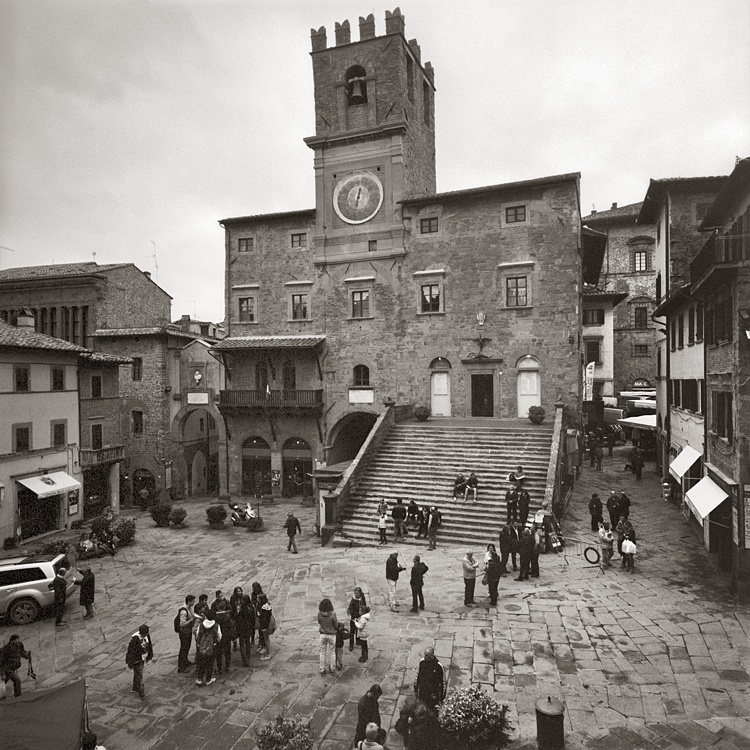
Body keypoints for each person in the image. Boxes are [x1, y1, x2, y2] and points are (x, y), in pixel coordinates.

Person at [125, 624, 153, 699]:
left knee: (137, 674)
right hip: (137, 660)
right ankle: (141, 692)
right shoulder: (135, 640)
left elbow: (150, 645)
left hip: (143, 658)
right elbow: (131, 651)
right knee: (140, 675)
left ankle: (135, 687)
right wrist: (131, 662)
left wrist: (149, 655)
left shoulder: (147, 636)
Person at [0, 634, 31, 698]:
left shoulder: (19, 645)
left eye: (18, 640)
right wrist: (2, 673)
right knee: (17, 680)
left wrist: (27, 656)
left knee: (4, 682)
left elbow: (22, 652)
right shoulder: (6, 649)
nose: (17, 641)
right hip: (7, 668)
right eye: (15, 640)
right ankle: (18, 696)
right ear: (11, 641)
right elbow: (1, 662)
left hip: (13, 667)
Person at [210, 590, 232, 674]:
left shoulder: (223, 615)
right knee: (223, 651)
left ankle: (224, 666)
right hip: (223, 635)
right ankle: (224, 666)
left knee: (222, 651)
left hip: (222, 635)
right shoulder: (225, 616)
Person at [194, 616, 220, 686]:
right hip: (211, 648)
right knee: (210, 663)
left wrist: (199, 644)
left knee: (201, 663)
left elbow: (197, 635)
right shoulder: (216, 625)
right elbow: (219, 636)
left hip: (202, 647)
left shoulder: (201, 625)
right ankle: (208, 679)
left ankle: (199, 679)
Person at [317, 598, 338, 675]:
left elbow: (319, 622)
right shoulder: (333, 614)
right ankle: (332, 668)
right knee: (332, 652)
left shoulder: (319, 614)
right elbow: (336, 625)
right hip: (332, 635)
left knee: (322, 652)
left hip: (323, 634)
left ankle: (322, 669)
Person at [176, 595, 195, 672]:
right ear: (189, 602)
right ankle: (181, 667)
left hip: (188, 631)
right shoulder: (184, 611)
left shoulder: (189, 608)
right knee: (183, 648)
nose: (193, 603)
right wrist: (191, 621)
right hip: (184, 632)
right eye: (193, 601)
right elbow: (182, 624)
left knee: (187, 647)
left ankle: (185, 661)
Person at [236, 594, 255, 666]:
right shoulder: (251, 608)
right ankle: (248, 658)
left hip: (242, 628)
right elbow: (253, 618)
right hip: (248, 628)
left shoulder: (241, 610)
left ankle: (244, 659)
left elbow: (238, 619)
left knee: (242, 644)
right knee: (247, 643)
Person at [347, 587, 367, 651]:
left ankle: (358, 641)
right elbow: (350, 607)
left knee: (358, 631)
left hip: (359, 618)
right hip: (353, 617)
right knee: (352, 632)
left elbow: (364, 607)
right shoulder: (353, 599)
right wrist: (349, 612)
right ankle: (351, 645)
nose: (356, 594)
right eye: (355, 593)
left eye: (357, 593)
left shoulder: (362, 599)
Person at [257, 594, 273, 660]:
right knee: (266, 639)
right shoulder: (267, 605)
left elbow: (264, 618)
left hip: (265, 626)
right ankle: (267, 652)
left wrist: (264, 627)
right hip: (267, 624)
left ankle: (268, 654)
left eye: (258, 598)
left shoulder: (264, 607)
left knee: (266, 639)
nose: (257, 599)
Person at [229, 586, 244, 652]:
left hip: (241, 616)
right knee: (234, 631)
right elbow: (231, 607)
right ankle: (235, 643)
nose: (239, 592)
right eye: (238, 591)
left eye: (240, 591)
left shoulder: (243, 597)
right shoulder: (233, 598)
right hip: (235, 616)